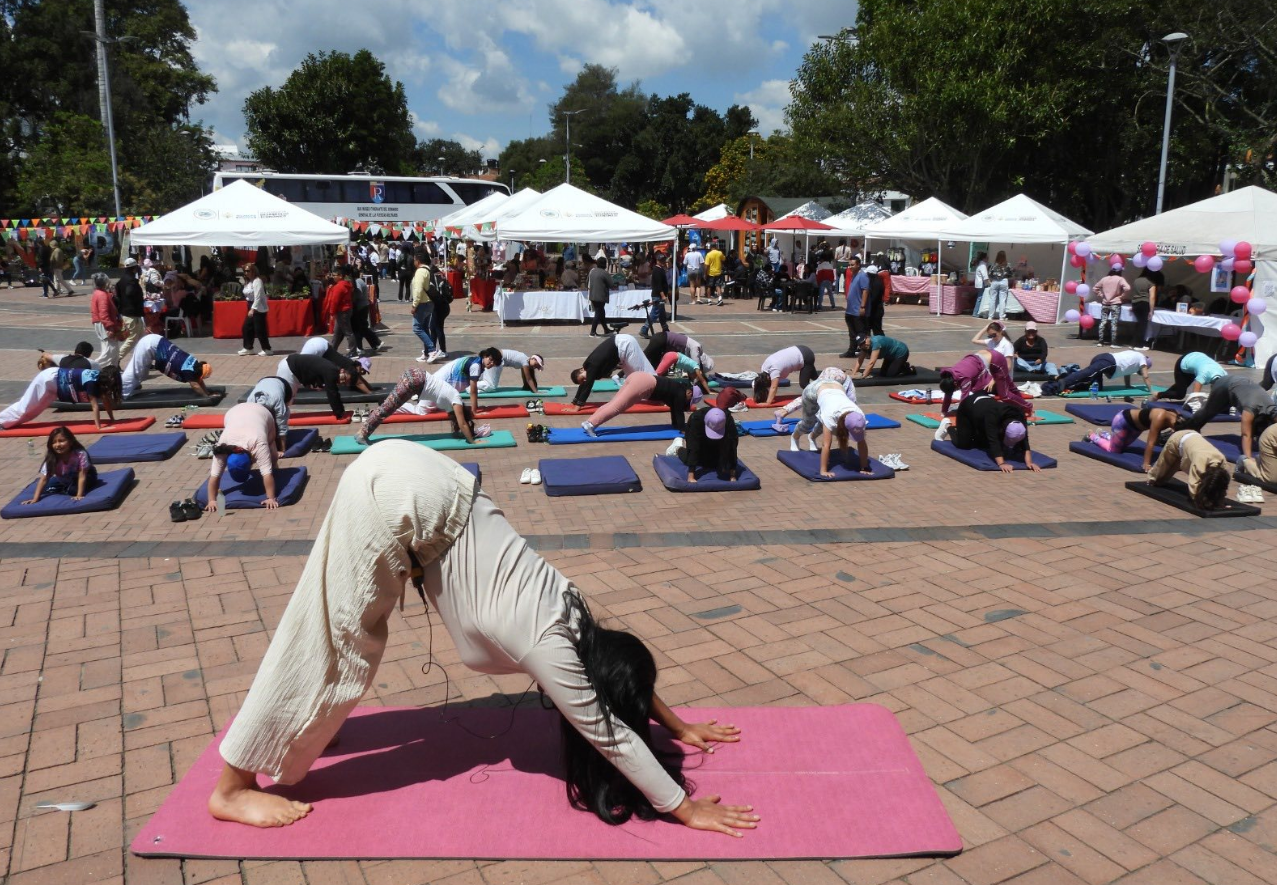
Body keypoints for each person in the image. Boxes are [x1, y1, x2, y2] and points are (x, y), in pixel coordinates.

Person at [205, 443, 754, 833]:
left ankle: (304, 730)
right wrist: (683, 807)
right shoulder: (550, 644)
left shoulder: (575, 612)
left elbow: (621, 676)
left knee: (346, 636)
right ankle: (231, 788)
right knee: (333, 637)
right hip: (398, 498)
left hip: (429, 483)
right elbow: (607, 730)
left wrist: (679, 725)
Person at [355, 369, 478, 446]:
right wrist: (472, 441)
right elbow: (462, 424)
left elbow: (460, 424)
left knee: (387, 408)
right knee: (386, 410)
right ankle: (362, 434)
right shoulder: (456, 400)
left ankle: (362, 432)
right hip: (415, 382)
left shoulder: (451, 403)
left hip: (415, 377)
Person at [1178, 374, 1277, 466]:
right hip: (1225, 385)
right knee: (1207, 413)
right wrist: (1248, 459)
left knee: (1224, 407)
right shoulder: (1249, 412)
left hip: (1242, 384)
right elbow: (1246, 435)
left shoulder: (1273, 410)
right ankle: (1182, 431)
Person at [935, 392, 1041, 474]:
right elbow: (993, 439)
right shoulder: (992, 416)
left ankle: (976, 434)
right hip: (969, 406)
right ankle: (948, 426)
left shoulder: (1019, 414)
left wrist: (1029, 462)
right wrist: (1002, 463)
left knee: (983, 444)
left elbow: (1025, 439)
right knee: (964, 444)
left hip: (985, 408)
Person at [204, 403, 282, 512]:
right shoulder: (222, 448)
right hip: (233, 413)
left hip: (262, 413)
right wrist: (212, 500)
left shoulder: (258, 444)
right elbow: (214, 476)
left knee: (271, 453)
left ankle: (275, 466)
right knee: (265, 459)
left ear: (251, 461)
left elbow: (267, 474)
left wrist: (271, 498)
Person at [789, 377, 872, 478]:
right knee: (808, 423)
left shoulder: (859, 417)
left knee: (824, 424)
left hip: (836, 386)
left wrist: (865, 467)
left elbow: (862, 442)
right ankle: (795, 437)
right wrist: (823, 470)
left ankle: (812, 437)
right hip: (815, 389)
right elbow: (826, 445)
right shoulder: (831, 415)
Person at [0, 365, 122, 430]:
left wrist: (112, 419)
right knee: (25, 407)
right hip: (48, 379)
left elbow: (105, 401)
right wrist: (98, 427)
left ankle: (7, 424)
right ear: (109, 378)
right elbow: (95, 406)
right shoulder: (92, 381)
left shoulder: (99, 379)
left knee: (33, 412)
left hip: (55, 387)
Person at [581, 373, 700, 436]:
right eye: (690, 399)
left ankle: (589, 422)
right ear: (689, 392)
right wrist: (683, 430)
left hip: (637, 376)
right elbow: (678, 411)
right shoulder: (680, 393)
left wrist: (676, 425)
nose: (687, 401)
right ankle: (591, 424)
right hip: (643, 384)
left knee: (613, 403)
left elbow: (674, 408)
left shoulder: (677, 388)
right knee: (617, 407)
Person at [1145, 430, 1232, 510]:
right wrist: (1202, 503)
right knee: (1159, 477)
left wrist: (1221, 502)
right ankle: (1151, 478)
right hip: (1177, 439)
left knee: (1211, 485)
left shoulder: (1223, 465)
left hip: (1193, 444)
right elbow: (1193, 485)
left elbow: (1221, 487)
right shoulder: (1200, 462)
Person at [1085, 404, 1180, 471]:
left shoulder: (1178, 417)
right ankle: (1092, 436)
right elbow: (1151, 442)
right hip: (1122, 422)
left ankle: (1104, 434)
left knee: (1122, 447)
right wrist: (1146, 463)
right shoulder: (1160, 417)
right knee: (1113, 450)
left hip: (1136, 429)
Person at [568, 335, 655, 408]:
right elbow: (584, 384)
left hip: (625, 344)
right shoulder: (589, 367)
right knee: (634, 377)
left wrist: (577, 406)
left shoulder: (591, 366)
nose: (585, 380)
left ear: (581, 369)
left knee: (642, 374)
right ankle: (653, 395)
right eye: (582, 381)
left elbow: (588, 386)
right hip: (622, 346)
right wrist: (574, 401)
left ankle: (660, 394)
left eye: (583, 378)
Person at [939, 350, 1032, 417]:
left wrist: (961, 415)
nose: (956, 389)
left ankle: (1028, 406)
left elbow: (964, 399)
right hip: (983, 358)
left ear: (955, 384)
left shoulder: (964, 377)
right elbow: (948, 393)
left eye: (955, 389)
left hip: (996, 360)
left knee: (1005, 395)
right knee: (1011, 387)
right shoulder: (949, 376)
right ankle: (1021, 406)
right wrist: (944, 411)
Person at [121, 333, 213, 398]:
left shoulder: (194, 363)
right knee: (136, 371)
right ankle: (120, 393)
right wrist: (206, 396)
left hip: (156, 340)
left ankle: (131, 387)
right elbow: (195, 385)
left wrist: (208, 393)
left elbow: (198, 380)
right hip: (148, 345)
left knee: (143, 374)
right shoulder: (189, 371)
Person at [21, 427, 96, 504]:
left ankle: (68, 489)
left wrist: (79, 495)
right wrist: (35, 499)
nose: (58, 445)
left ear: (70, 442)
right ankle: (66, 488)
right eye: (54, 442)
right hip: (66, 480)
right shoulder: (52, 459)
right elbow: (44, 479)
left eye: (61, 441)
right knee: (48, 488)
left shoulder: (80, 454)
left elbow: (82, 475)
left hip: (87, 476)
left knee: (72, 490)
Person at [676, 406, 739, 483]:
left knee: (715, 463)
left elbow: (732, 446)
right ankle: (677, 447)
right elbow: (693, 446)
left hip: (718, 439)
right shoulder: (696, 419)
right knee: (695, 459)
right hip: (700, 437)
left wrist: (732, 474)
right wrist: (691, 475)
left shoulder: (728, 420)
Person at [279, 354, 353, 420]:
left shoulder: (333, 368)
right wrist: (339, 413)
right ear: (342, 371)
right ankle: (277, 419)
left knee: (288, 400)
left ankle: (278, 417)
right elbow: (332, 393)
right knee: (286, 399)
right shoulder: (332, 372)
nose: (343, 382)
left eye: (345, 382)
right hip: (289, 368)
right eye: (344, 378)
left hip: (291, 366)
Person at [1050, 350, 1152, 395]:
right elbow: (1146, 377)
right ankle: (1065, 381)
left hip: (1104, 357)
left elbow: (1127, 372)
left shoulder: (1136, 355)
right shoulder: (1142, 360)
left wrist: (1128, 385)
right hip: (1109, 362)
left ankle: (1071, 385)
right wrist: (1150, 390)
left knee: (1095, 385)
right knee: (1087, 373)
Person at [436, 349, 504, 412]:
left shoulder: (479, 362)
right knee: (428, 407)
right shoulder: (476, 366)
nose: (491, 363)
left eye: (494, 362)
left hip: (443, 380)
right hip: (440, 381)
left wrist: (475, 408)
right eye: (490, 359)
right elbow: (473, 391)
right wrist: (474, 411)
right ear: (484, 356)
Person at [752, 346, 818, 405]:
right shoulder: (764, 368)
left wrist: (768, 403)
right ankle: (826, 381)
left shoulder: (774, 370)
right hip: (800, 349)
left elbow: (774, 387)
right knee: (815, 377)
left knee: (804, 383)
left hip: (806, 356)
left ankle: (820, 394)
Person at [1153, 352, 1227, 402]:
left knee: (1181, 386)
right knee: (1180, 394)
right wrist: (1196, 404)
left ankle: (1164, 394)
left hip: (1198, 359)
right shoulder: (1204, 374)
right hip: (1184, 362)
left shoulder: (1225, 375)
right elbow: (1195, 394)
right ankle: (1158, 394)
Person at [409, 249, 439, 362]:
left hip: (422, 303)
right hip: (429, 302)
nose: (413, 262)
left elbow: (418, 289)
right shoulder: (428, 270)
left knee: (417, 328)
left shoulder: (420, 271)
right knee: (425, 327)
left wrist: (414, 305)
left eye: (414, 260)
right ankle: (427, 352)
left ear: (418, 260)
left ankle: (432, 350)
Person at [115, 258, 147, 364]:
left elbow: (118, 296)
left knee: (141, 338)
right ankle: (117, 359)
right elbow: (129, 292)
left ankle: (144, 360)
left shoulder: (121, 280)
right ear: (134, 268)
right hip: (132, 313)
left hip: (127, 312)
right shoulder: (131, 281)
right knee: (132, 338)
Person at [238, 265, 272, 357]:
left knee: (260, 329)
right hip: (250, 305)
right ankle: (248, 348)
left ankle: (267, 349)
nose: (246, 273)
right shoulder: (248, 282)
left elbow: (258, 297)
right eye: (245, 271)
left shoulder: (257, 281)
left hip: (258, 307)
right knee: (247, 327)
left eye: (248, 271)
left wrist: (253, 309)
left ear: (253, 271)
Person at [1093, 266, 1131, 348]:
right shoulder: (1120, 279)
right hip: (1115, 303)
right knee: (1114, 323)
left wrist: (1102, 295)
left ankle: (1100, 341)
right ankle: (1113, 342)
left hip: (1105, 303)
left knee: (1103, 322)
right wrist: (1121, 296)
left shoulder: (1104, 279)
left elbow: (1095, 288)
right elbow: (1127, 288)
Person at [89, 273, 121, 368]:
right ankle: (92, 367)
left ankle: (112, 369)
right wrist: (109, 327)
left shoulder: (98, 293)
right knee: (110, 350)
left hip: (100, 323)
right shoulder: (102, 295)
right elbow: (104, 313)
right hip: (104, 324)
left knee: (111, 349)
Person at [349, 268, 383, 355]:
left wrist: (353, 298)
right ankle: (374, 343)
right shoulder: (360, 280)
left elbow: (358, 293)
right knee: (362, 327)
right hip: (363, 306)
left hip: (361, 307)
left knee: (360, 328)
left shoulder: (357, 282)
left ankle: (370, 344)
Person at [322, 267, 356, 355]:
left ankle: (353, 351)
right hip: (346, 310)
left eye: (335, 275)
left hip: (342, 311)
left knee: (348, 332)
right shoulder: (346, 284)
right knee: (337, 332)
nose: (333, 277)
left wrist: (332, 313)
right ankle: (332, 350)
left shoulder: (339, 287)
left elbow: (334, 301)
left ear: (340, 276)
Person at [478, 350, 544, 394]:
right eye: (536, 364)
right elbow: (528, 378)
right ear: (533, 358)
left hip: (494, 357)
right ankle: (471, 386)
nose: (535, 367)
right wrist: (536, 391)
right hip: (496, 359)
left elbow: (525, 377)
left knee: (484, 380)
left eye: (537, 367)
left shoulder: (524, 360)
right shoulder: (525, 361)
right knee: (492, 386)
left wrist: (527, 387)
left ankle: (472, 385)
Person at [841, 257, 870, 357]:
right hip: (850, 310)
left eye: (852, 265)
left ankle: (866, 351)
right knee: (852, 333)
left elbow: (865, 291)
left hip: (857, 309)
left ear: (858, 265)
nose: (850, 267)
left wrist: (862, 306)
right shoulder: (854, 275)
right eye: (849, 265)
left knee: (861, 332)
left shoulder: (862, 276)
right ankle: (851, 350)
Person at [640, 254, 671, 338]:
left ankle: (665, 329)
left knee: (661, 314)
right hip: (658, 295)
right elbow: (658, 285)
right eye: (661, 260)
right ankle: (644, 329)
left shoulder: (660, 269)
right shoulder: (657, 270)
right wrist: (663, 295)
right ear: (657, 261)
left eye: (663, 260)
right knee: (655, 313)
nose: (663, 262)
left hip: (659, 295)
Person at [429, 256, 452, 358]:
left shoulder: (432, 278)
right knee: (434, 327)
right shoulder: (441, 276)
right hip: (445, 305)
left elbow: (432, 292)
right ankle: (433, 349)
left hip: (438, 306)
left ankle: (442, 350)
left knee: (437, 328)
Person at [587, 256, 614, 337]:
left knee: (601, 312)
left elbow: (586, 282)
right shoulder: (604, 273)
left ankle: (606, 329)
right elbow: (611, 284)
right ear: (604, 264)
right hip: (601, 296)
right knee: (598, 313)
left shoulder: (592, 271)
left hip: (592, 295)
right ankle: (592, 332)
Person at [1131, 269, 1157, 350]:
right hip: (1144, 303)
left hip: (1135, 302)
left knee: (1138, 323)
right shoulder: (1151, 283)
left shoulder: (1136, 280)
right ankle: (1139, 345)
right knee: (1143, 324)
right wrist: (1151, 310)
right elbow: (1152, 297)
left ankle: (1134, 343)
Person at [987, 251, 1012, 321]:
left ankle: (990, 316)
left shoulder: (994, 265)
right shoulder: (1007, 265)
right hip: (1004, 281)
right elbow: (1010, 274)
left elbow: (990, 274)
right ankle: (1001, 316)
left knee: (992, 299)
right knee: (1002, 299)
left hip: (995, 281)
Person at [704, 242, 725, 306]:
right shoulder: (719, 253)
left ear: (710, 247)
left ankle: (709, 300)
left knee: (709, 286)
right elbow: (723, 259)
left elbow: (706, 265)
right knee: (718, 286)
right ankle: (720, 299)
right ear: (716, 246)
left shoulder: (709, 254)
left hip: (710, 273)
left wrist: (705, 273)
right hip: (718, 272)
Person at [971, 252, 989, 317]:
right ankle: (976, 312)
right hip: (982, 283)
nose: (988, 259)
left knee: (980, 297)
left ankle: (976, 312)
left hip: (979, 283)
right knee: (980, 298)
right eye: (987, 257)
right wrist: (989, 283)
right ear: (984, 258)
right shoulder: (983, 265)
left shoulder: (979, 264)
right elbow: (985, 276)